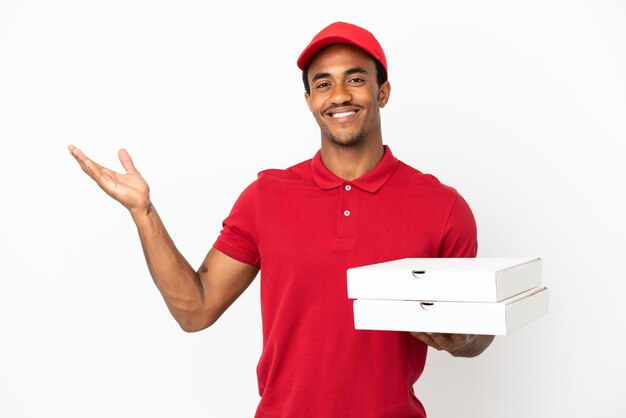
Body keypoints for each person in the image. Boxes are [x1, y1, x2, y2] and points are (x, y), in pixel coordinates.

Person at [69, 21, 494, 418]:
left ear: (383, 92)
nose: (340, 94)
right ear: (310, 100)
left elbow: (478, 332)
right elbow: (195, 311)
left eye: (356, 79)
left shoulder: (442, 207)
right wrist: (144, 212)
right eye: (323, 83)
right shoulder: (266, 198)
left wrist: (465, 340)